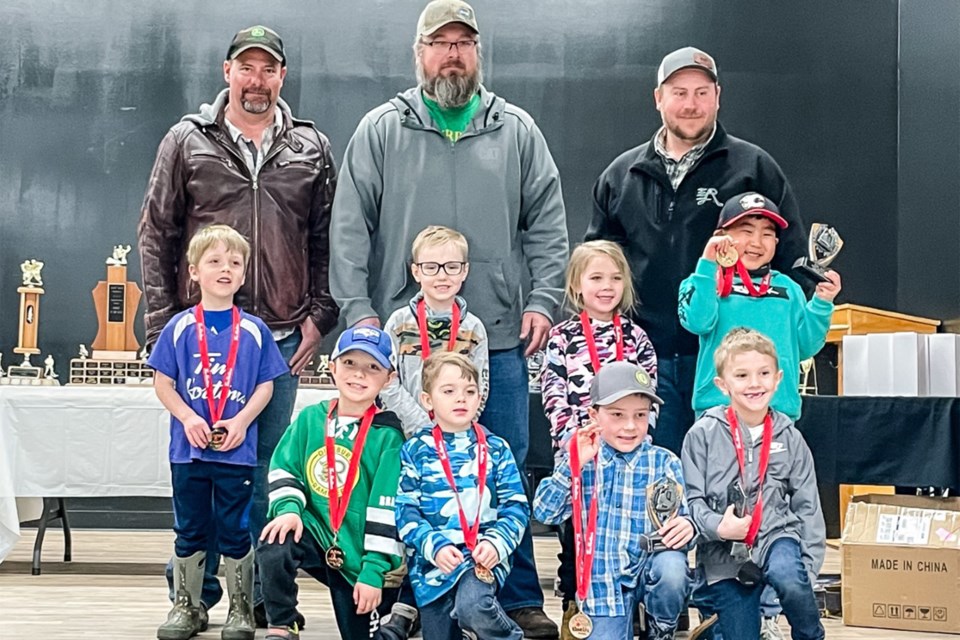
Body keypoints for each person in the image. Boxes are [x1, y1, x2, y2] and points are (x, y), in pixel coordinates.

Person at [329, 1, 568, 635]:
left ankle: (514, 596)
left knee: (506, 462)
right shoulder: (382, 129)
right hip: (403, 342)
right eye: (441, 43)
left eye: (465, 43)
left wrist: (543, 299)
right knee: (411, 466)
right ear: (419, 54)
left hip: (496, 333)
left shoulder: (516, 129)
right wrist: (359, 314)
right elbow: (350, 228)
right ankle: (415, 596)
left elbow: (546, 221)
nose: (453, 54)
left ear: (478, 53)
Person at [138, 24, 339, 621]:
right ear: (227, 72)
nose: (257, 81)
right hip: (200, 339)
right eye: (245, 68)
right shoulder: (186, 140)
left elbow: (326, 238)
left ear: (283, 77)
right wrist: (161, 327)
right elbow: (157, 233)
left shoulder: (311, 147)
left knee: (267, 470)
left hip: (277, 338)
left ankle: (255, 601)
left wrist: (319, 317)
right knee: (200, 470)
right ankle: (193, 599)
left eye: (269, 69)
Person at [585, 46, 808, 459]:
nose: (691, 104)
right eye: (679, 92)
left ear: (718, 96)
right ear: (658, 98)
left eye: (702, 93)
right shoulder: (620, 176)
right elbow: (597, 262)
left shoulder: (753, 168)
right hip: (645, 356)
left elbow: (791, 258)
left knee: (729, 479)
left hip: (729, 364)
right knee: (655, 472)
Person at [148, 224, 289, 640]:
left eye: (234, 262)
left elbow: (267, 385)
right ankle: (186, 607)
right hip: (187, 451)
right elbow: (163, 383)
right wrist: (188, 418)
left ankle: (240, 611)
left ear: (244, 275)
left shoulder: (255, 330)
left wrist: (242, 421)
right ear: (194, 271)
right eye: (214, 261)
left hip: (236, 451)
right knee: (190, 528)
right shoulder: (177, 327)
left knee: (234, 528)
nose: (225, 269)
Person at [257, 326, 405, 640]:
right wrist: (288, 509)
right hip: (317, 533)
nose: (359, 375)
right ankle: (283, 623)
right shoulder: (311, 418)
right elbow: (285, 469)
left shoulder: (388, 437)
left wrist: (373, 570)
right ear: (332, 366)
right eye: (350, 363)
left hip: (362, 555)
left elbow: (385, 511)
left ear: (388, 379)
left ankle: (404, 612)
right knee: (275, 541)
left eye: (373, 367)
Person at [540, 240, 657, 627]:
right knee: (576, 540)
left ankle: (636, 608)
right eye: (596, 277)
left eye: (615, 277)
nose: (606, 286)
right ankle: (577, 613)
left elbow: (650, 400)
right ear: (576, 286)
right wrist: (579, 445)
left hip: (630, 458)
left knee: (629, 534)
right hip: (584, 457)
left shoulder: (638, 339)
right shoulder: (561, 338)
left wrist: (632, 437)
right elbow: (554, 396)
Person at [681, 328, 825, 640]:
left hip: (776, 535)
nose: (755, 383)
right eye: (742, 375)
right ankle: (716, 625)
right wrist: (720, 527)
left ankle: (811, 635)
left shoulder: (790, 437)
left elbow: (808, 506)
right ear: (722, 384)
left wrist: (808, 573)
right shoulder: (701, 436)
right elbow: (692, 503)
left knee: (790, 578)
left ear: (778, 378)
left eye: (763, 373)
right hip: (723, 553)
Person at [534, 361, 694, 639]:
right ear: (593, 415)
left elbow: (683, 525)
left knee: (672, 569)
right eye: (617, 415)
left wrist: (688, 527)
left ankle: (661, 627)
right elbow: (545, 514)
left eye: (640, 415)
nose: (630, 426)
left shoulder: (665, 462)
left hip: (651, 566)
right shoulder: (582, 459)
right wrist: (572, 465)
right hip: (602, 583)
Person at [396, 352, 528, 639]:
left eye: (470, 391)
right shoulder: (415, 450)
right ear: (427, 400)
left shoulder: (497, 448)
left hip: (480, 560)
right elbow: (405, 512)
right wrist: (433, 545)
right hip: (433, 566)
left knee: (473, 606)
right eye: (449, 391)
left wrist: (497, 543)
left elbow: (516, 507)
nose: (461, 399)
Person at [679, 192, 842, 422]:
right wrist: (707, 263)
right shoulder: (704, 280)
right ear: (721, 236)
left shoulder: (789, 289)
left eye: (767, 234)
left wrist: (822, 304)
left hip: (778, 413)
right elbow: (697, 321)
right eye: (746, 231)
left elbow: (805, 347)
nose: (756, 242)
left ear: (776, 242)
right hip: (718, 411)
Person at [381, 225, 489, 436]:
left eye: (452, 266)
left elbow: (480, 386)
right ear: (416, 272)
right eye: (431, 267)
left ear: (465, 270)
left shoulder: (473, 329)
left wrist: (454, 425)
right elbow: (387, 381)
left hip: (456, 434)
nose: (442, 276)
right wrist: (420, 424)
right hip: (404, 432)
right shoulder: (398, 324)